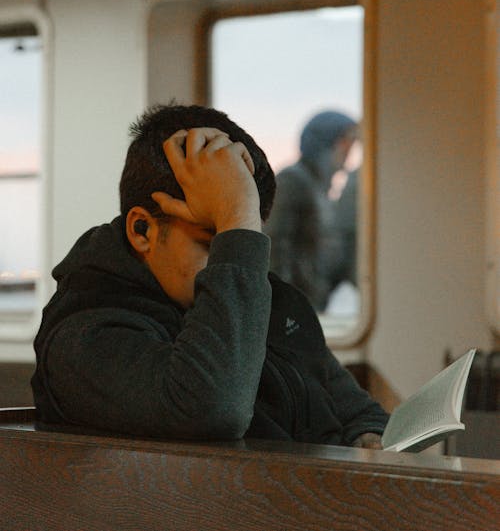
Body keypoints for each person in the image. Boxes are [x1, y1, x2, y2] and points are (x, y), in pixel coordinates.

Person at [31, 104, 387, 447]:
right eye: (212, 241)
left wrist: (368, 435)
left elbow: (358, 411)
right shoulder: (85, 338)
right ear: (142, 230)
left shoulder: (273, 302)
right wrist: (235, 221)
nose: (234, 260)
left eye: (244, 233)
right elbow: (215, 409)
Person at [264, 110, 357, 311]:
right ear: (325, 143)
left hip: (311, 306)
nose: (348, 152)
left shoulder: (319, 190)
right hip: (293, 310)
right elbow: (274, 250)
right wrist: (284, 309)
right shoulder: (292, 181)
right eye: (344, 143)